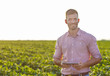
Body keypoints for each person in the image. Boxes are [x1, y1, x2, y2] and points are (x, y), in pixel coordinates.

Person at [53, 9, 102, 76]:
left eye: (74, 19)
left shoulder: (89, 38)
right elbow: (55, 59)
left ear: (78, 20)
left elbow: (98, 58)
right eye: (70, 19)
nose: (72, 22)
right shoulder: (60, 39)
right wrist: (61, 63)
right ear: (66, 21)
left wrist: (84, 65)